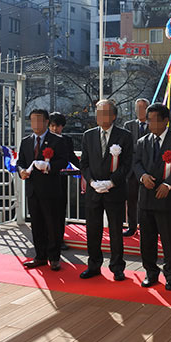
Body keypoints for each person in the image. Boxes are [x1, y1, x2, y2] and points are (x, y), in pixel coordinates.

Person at [133, 103, 171, 291]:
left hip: (168, 199)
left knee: (170, 241)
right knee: (147, 240)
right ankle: (151, 272)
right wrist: (142, 176)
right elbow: (136, 162)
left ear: (166, 120)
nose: (152, 124)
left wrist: (168, 184)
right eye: (149, 120)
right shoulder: (142, 141)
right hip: (147, 198)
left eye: (156, 120)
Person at [79, 99, 133, 281]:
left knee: (116, 230)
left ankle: (117, 267)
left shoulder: (124, 136)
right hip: (94, 191)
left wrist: (111, 182)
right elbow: (84, 163)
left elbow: (127, 165)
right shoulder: (88, 135)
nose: (99, 116)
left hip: (114, 190)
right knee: (93, 229)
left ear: (113, 116)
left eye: (104, 112)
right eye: (97, 112)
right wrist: (92, 182)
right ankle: (93, 265)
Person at [17, 109, 68, 271]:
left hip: (51, 189)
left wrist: (49, 166)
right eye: (32, 121)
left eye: (39, 120)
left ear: (46, 122)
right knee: (37, 224)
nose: (35, 124)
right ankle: (40, 256)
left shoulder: (57, 140)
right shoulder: (26, 141)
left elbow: (63, 161)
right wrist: (21, 171)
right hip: (32, 189)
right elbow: (20, 161)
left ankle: (54, 257)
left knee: (52, 224)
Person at [49, 112, 81, 251]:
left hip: (61, 180)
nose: (55, 129)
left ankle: (59, 239)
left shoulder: (67, 140)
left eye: (59, 126)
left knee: (60, 210)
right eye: (53, 126)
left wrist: (82, 168)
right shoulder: (44, 139)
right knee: (46, 211)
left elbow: (72, 157)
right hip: (46, 180)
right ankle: (47, 239)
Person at [122, 98, 149, 237]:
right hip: (131, 170)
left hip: (148, 169)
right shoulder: (129, 125)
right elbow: (126, 145)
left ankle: (147, 227)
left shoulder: (153, 125)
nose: (139, 111)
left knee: (146, 200)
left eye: (142, 108)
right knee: (131, 199)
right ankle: (132, 227)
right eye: (137, 108)